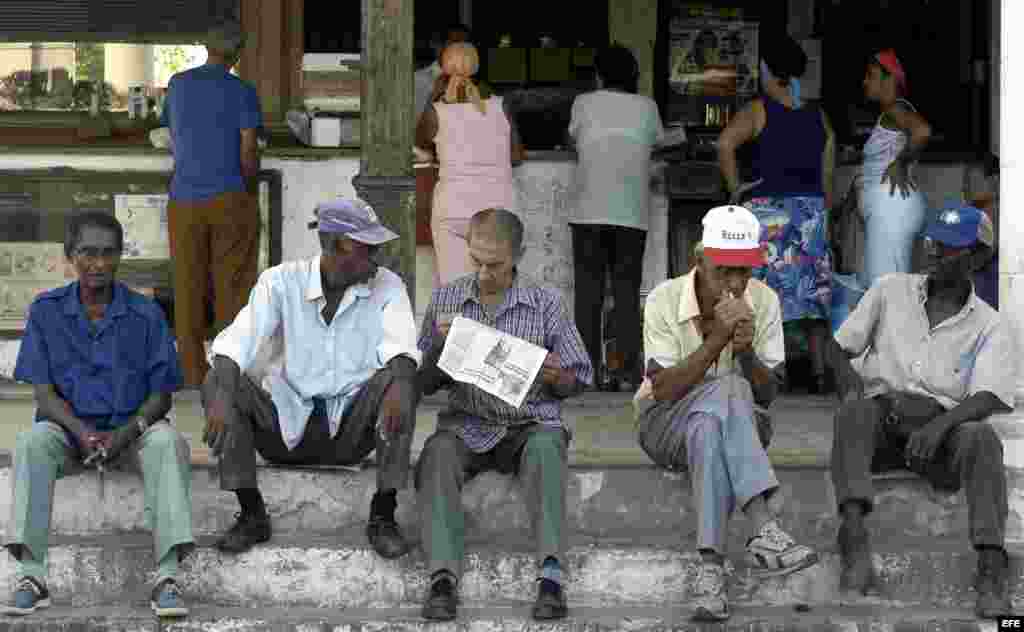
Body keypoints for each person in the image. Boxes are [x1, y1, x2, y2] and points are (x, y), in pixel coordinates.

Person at [201, 198, 420, 559]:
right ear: (334, 246)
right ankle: (251, 512)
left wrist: (402, 384)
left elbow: (404, 349)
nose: (375, 259)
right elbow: (235, 344)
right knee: (218, 379)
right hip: (282, 430)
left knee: (401, 379)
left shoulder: (388, 285)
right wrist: (223, 396)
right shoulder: (280, 282)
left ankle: (383, 514)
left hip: (351, 432)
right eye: (367, 249)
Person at [827, 204, 1013, 619]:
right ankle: (853, 537)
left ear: (977, 258)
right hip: (882, 426)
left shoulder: (990, 324)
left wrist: (941, 424)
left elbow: (988, 396)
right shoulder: (889, 290)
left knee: (982, 437)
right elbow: (838, 349)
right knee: (853, 414)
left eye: (949, 249)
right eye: (934, 243)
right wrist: (852, 389)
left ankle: (991, 565)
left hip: (940, 443)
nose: (935, 254)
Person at [3, 212, 192, 618]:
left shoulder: (146, 313)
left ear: (120, 256)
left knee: (168, 442)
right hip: (69, 432)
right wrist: (81, 431)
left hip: (133, 432)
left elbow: (162, 396)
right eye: (88, 253)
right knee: (31, 443)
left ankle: (167, 577)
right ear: (70, 255)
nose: (99, 263)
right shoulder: (47, 311)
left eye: (108, 253)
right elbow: (44, 395)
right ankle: (32, 576)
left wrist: (126, 433)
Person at [636, 205, 819, 622]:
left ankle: (710, 572)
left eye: (744, 271)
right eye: (724, 271)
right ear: (699, 259)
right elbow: (663, 390)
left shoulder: (765, 301)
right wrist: (716, 340)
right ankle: (763, 526)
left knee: (710, 423)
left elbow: (768, 395)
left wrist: (746, 353)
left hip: (741, 426)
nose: (736, 283)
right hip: (664, 423)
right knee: (725, 392)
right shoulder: (664, 298)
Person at [415, 208, 593, 622]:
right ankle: (442, 578)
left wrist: (557, 376)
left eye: (494, 265)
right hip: (467, 423)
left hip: (529, 423)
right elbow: (424, 383)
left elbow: (579, 379)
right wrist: (440, 351)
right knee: (436, 455)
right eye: (475, 261)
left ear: (519, 256)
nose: (482, 273)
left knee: (547, 448)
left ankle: (551, 577)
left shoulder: (546, 304)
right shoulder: (446, 300)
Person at [717, 32, 836, 394]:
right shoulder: (818, 115)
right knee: (812, 298)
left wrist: (736, 191)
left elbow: (724, 143)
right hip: (810, 214)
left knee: (765, 295)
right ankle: (819, 373)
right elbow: (828, 169)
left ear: (768, 71)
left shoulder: (759, 110)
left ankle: (769, 369)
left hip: (770, 216)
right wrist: (823, 211)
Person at [161, 18, 263, 387]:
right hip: (228, 198)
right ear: (238, 53)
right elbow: (248, 151)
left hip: (184, 199)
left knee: (187, 286)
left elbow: (171, 132)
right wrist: (247, 190)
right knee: (231, 289)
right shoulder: (242, 91)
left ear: (207, 47)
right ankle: (227, 374)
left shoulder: (178, 84)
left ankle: (191, 374)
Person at [567, 43, 676, 392]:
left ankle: (586, 372)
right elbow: (660, 144)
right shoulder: (647, 107)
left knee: (588, 295)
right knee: (626, 293)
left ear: (599, 75)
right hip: (631, 213)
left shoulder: (583, 103)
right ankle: (627, 372)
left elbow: (573, 140)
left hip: (588, 212)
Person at [416, 42, 526, 285]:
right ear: (478, 69)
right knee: (499, 292)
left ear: (443, 71)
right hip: (499, 209)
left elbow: (421, 144)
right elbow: (516, 156)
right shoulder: (501, 105)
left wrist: (434, 96)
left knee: (455, 291)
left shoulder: (436, 112)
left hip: (453, 209)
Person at [858, 48, 932, 288]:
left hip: (891, 210)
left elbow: (922, 131)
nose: (865, 82)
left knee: (887, 293)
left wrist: (900, 162)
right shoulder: (890, 113)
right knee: (887, 292)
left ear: (889, 79)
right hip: (890, 210)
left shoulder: (895, 109)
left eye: (870, 75)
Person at [415, 23, 471, 121]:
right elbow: (411, 122)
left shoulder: (470, 82)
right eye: (455, 43)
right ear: (439, 46)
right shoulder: (419, 80)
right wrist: (435, 94)